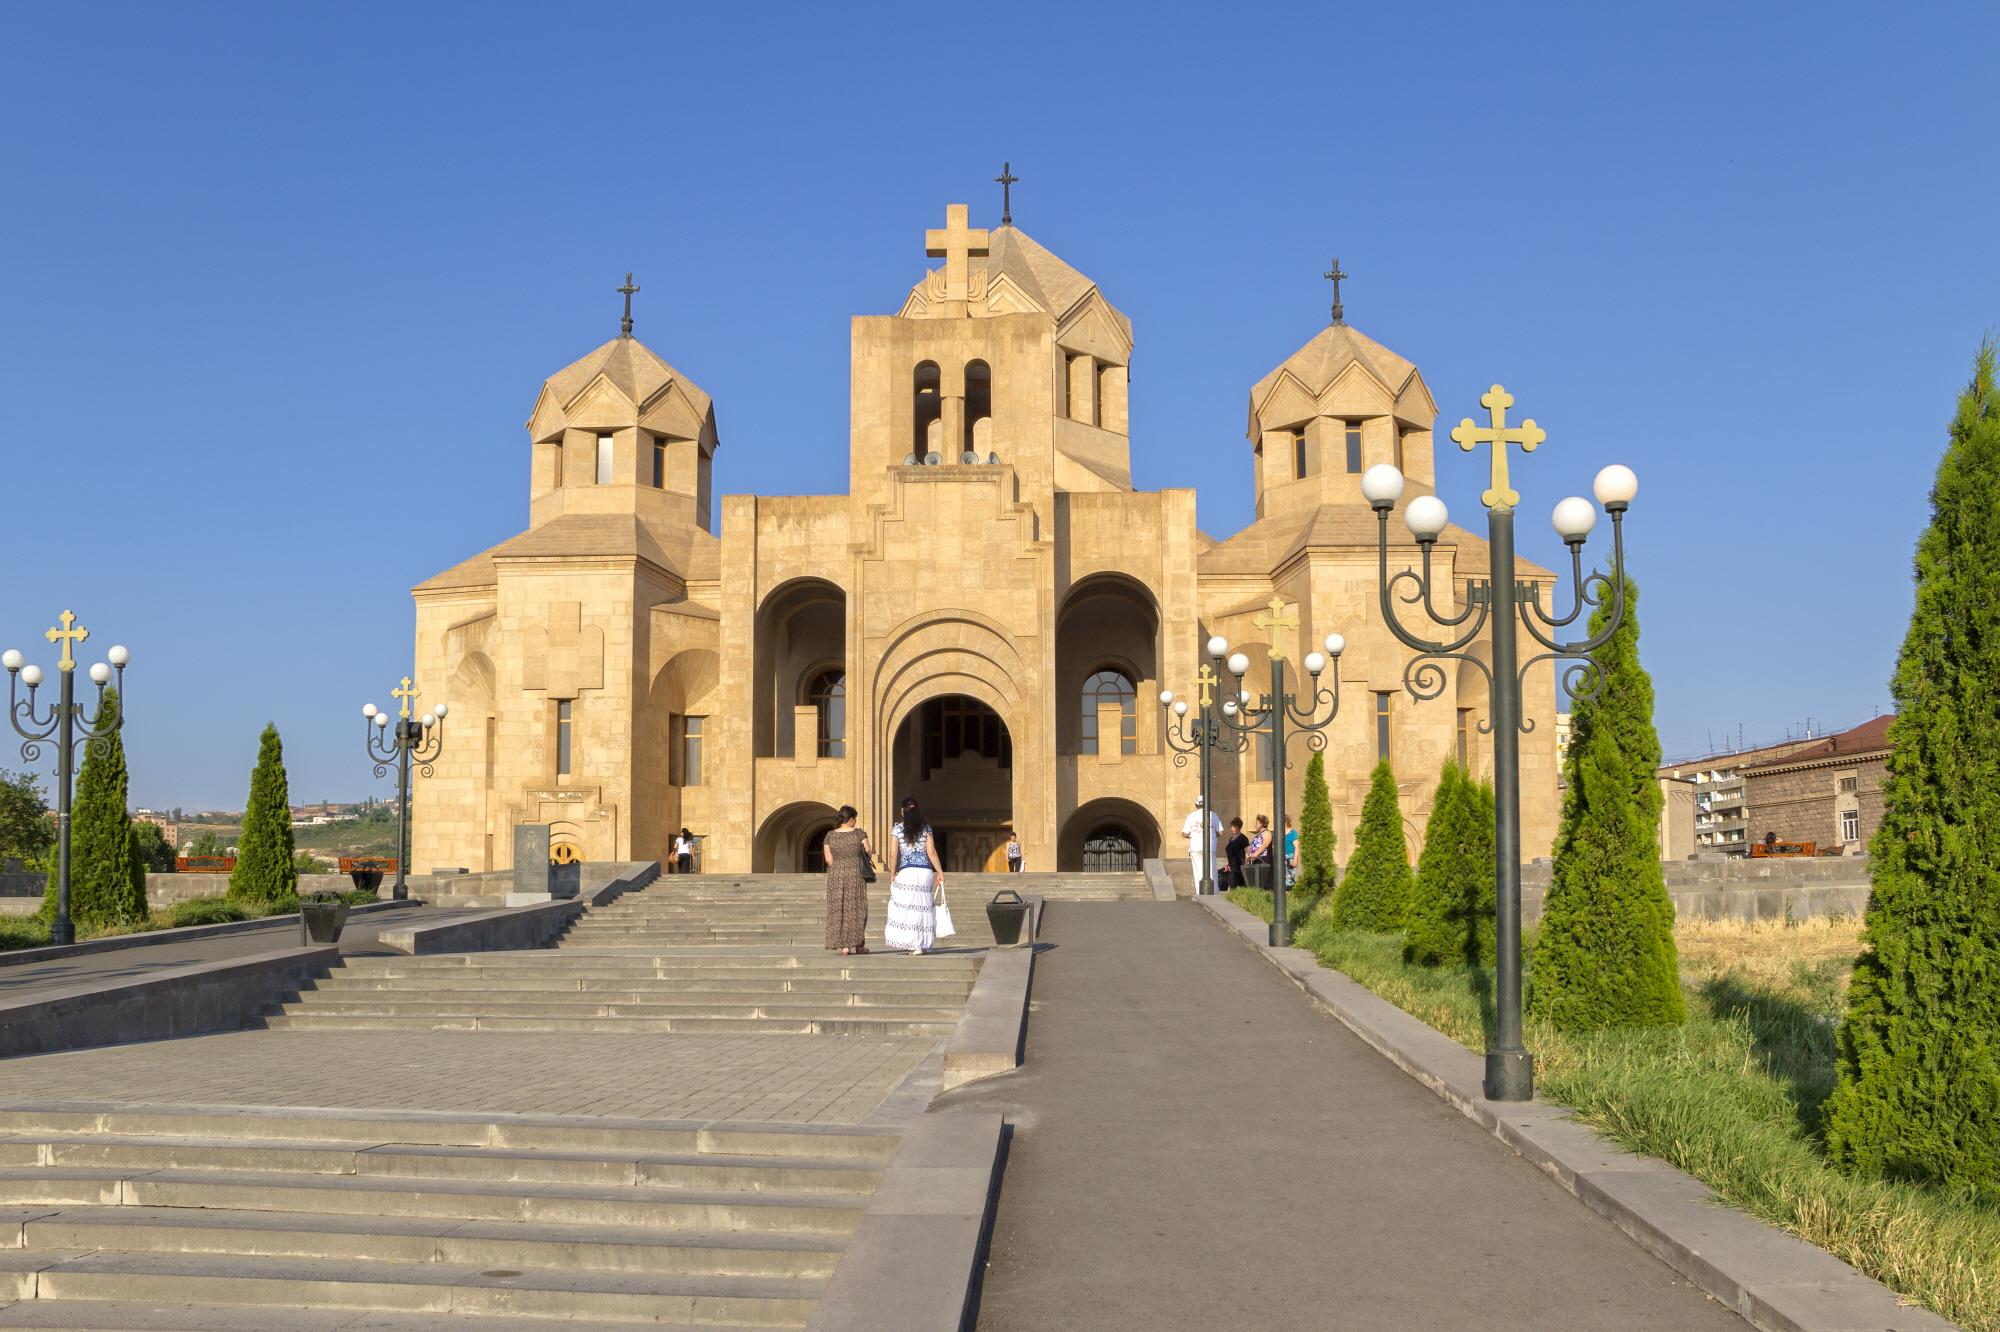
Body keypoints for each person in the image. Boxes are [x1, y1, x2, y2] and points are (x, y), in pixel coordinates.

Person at [883, 797, 943, 955]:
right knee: (923, 907)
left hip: (907, 871)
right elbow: (931, 852)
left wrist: (892, 872)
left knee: (906, 908)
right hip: (925, 872)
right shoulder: (926, 829)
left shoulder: (897, 829)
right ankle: (922, 943)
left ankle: (913, 944)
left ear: (902, 811)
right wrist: (940, 872)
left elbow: (893, 853)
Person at [822, 806, 872, 956]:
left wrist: (840, 866)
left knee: (839, 909)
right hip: (856, 874)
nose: (855, 821)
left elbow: (829, 860)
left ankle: (844, 947)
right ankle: (859, 946)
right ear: (850, 819)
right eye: (854, 818)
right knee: (857, 908)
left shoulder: (830, 836)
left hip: (836, 876)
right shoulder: (859, 834)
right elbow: (868, 853)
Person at [1181, 795, 1222, 893]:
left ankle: (1200, 892)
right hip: (1210, 846)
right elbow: (1220, 832)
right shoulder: (1213, 815)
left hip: (1195, 846)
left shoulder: (1191, 816)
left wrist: (1193, 835)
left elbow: (1184, 833)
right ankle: (1214, 892)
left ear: (1196, 805)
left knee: (1198, 871)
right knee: (1212, 870)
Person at [1223, 817, 1249, 890]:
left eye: (1235, 827)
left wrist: (1247, 864)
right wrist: (1228, 864)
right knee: (1234, 888)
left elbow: (1248, 852)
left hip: (1239, 868)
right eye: (1232, 826)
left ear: (1239, 827)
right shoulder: (1231, 838)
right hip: (1232, 867)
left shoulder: (1243, 838)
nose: (1233, 828)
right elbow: (1230, 853)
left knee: (1234, 888)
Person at [1283, 816, 1299, 888]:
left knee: (1290, 876)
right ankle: (1285, 890)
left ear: (1286, 822)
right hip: (1282, 857)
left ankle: (1290, 890)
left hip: (1291, 857)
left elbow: (1297, 847)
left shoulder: (1293, 832)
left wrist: (1295, 860)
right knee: (1283, 875)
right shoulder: (1280, 833)